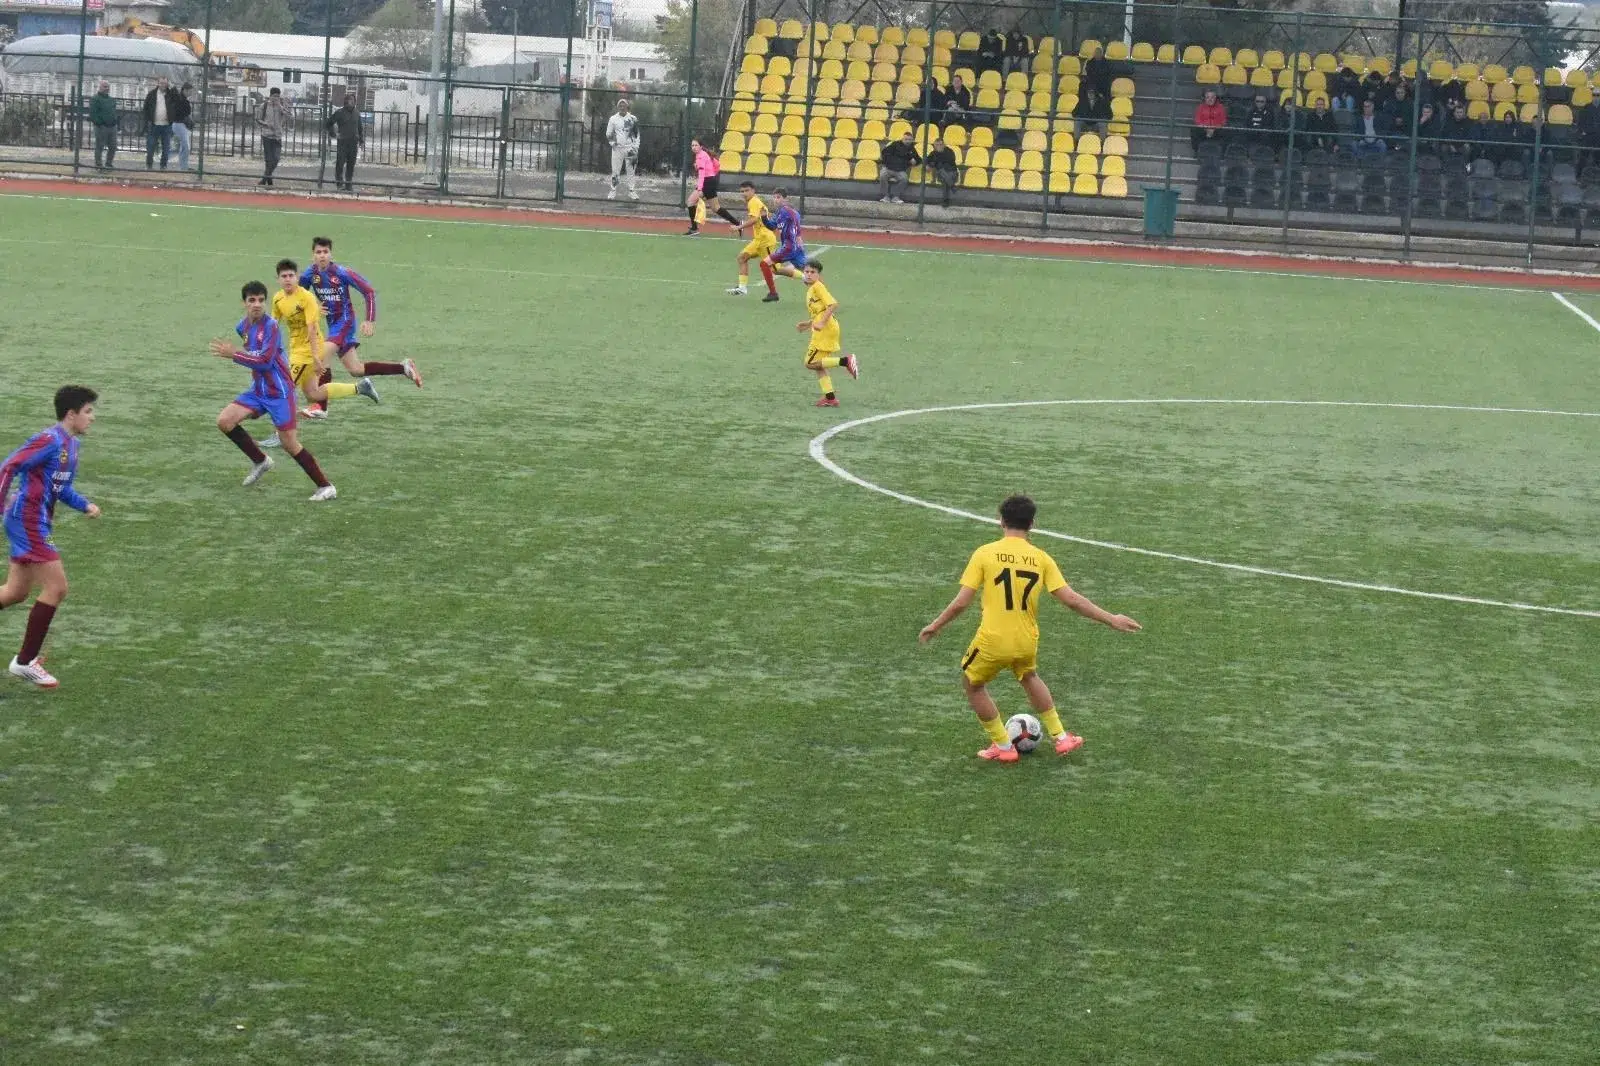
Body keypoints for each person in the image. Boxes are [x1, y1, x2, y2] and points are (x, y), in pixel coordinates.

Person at [918, 494, 1141, 763]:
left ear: (1001, 520)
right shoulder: (1041, 558)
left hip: (993, 640)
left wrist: (936, 625)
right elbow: (1071, 599)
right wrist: (1111, 618)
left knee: (973, 684)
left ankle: (1003, 746)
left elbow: (961, 602)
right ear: (1032, 524)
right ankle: (1060, 737)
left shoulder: (985, 553)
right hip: (1026, 639)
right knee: (1029, 676)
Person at [0, 386, 101, 689]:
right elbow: (8, 466)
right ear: (71, 414)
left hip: (35, 521)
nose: (92, 418)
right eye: (88, 411)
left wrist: (85, 504)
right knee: (56, 588)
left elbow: (60, 488)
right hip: (27, 520)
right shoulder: (48, 440)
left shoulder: (71, 446)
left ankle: (25, 662)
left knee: (16, 592)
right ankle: (25, 662)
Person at [210, 281, 337, 502]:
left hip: (280, 393)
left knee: (289, 443)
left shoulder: (272, 327)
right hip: (258, 391)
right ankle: (261, 461)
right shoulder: (243, 327)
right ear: (244, 303)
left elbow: (265, 361)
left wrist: (235, 355)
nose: (257, 304)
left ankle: (326, 486)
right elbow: (254, 357)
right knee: (225, 421)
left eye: (261, 300)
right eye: (252, 300)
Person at [258, 258, 378, 447]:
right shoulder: (278, 298)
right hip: (296, 349)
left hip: (307, 353)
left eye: (291, 275)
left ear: (297, 277)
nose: (288, 279)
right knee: (314, 394)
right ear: (278, 279)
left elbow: (313, 328)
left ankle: (280, 435)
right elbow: (273, 324)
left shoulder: (306, 298)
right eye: (284, 276)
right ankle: (360, 387)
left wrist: (315, 356)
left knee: (283, 391)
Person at [300, 236, 419, 416]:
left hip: (345, 322)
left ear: (331, 254)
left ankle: (321, 407)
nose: (322, 255)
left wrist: (370, 319)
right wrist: (315, 306)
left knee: (322, 355)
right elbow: (300, 297)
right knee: (356, 369)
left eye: (325, 252)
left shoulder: (341, 272)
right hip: (332, 325)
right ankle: (403, 367)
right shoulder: (310, 274)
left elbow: (368, 292)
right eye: (318, 252)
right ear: (313, 255)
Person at [796, 260, 859, 408]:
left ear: (818, 275)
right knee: (818, 365)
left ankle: (845, 361)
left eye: (813, 272)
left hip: (826, 329)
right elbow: (820, 311)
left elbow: (832, 304)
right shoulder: (812, 289)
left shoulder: (818, 287)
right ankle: (830, 398)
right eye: (807, 272)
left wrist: (822, 323)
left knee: (810, 363)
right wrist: (808, 324)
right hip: (825, 328)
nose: (809, 274)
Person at [728, 181, 780, 298]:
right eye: (742, 191)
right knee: (742, 257)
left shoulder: (753, 202)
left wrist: (738, 227)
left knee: (776, 270)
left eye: (746, 191)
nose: (744, 193)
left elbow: (754, 219)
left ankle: (804, 275)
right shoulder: (755, 201)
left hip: (765, 240)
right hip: (759, 240)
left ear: (753, 190)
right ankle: (742, 288)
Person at [686, 137, 740, 236]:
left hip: (706, 183)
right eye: (692, 145)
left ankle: (694, 228)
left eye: (696, 145)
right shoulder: (704, 154)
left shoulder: (701, 156)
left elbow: (702, 173)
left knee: (690, 202)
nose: (693, 147)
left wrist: (699, 187)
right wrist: (712, 175)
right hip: (710, 181)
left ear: (701, 146)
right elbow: (717, 164)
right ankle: (738, 223)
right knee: (716, 208)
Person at [760, 187, 807, 297]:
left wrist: (799, 235)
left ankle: (773, 293)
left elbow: (796, 219)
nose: (776, 200)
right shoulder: (779, 213)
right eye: (774, 198)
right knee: (809, 273)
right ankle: (826, 298)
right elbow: (771, 226)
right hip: (795, 248)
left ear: (785, 198)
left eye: (779, 197)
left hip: (789, 247)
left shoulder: (787, 210)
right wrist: (764, 218)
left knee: (764, 264)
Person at [605, 98, 641, 201]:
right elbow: (608, 133)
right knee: (615, 171)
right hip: (617, 149)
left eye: (624, 105)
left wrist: (636, 147)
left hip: (630, 149)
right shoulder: (613, 119)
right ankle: (613, 191)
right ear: (618, 107)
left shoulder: (633, 119)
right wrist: (613, 143)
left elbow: (637, 135)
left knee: (631, 171)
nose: (622, 107)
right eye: (620, 105)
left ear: (627, 107)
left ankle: (631, 191)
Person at [325, 96, 362, 191]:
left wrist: (361, 140)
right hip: (343, 142)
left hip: (353, 142)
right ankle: (339, 183)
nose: (350, 102)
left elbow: (360, 128)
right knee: (340, 163)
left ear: (355, 102)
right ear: (345, 102)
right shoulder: (340, 112)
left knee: (351, 164)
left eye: (352, 101)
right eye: (349, 100)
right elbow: (328, 123)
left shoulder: (357, 113)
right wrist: (333, 134)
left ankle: (348, 184)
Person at [258, 87, 291, 186]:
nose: (276, 98)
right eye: (274, 96)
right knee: (268, 159)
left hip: (277, 137)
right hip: (267, 136)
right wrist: (267, 125)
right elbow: (258, 119)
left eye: (278, 96)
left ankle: (265, 178)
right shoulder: (263, 106)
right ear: (270, 96)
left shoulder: (280, 107)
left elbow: (289, 116)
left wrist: (283, 107)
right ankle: (269, 180)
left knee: (276, 158)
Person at [878, 129, 920, 203]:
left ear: (912, 140)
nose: (907, 141)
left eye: (909, 140)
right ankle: (886, 196)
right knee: (882, 176)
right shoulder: (895, 144)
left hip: (900, 170)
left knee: (904, 179)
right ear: (902, 139)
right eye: (906, 139)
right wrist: (888, 162)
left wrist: (914, 161)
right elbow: (884, 152)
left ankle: (895, 197)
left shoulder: (912, 149)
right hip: (888, 168)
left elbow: (918, 159)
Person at [142, 76, 175, 170]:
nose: (163, 85)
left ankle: (163, 166)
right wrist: (148, 121)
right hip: (154, 125)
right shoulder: (151, 94)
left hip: (166, 125)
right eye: (161, 83)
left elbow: (177, 99)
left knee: (166, 148)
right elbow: (145, 109)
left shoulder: (171, 94)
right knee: (151, 147)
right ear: (158, 83)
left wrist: (172, 87)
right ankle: (149, 165)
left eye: (165, 83)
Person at [89, 81, 118, 170]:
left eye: (108, 87)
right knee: (100, 146)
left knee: (113, 146)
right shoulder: (95, 99)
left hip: (112, 126)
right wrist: (99, 123)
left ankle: (109, 164)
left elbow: (113, 112)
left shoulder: (112, 100)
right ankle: (98, 165)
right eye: (105, 87)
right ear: (100, 87)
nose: (107, 89)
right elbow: (93, 113)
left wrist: (115, 122)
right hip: (101, 127)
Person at [926, 136, 959, 205]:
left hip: (953, 173)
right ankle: (952, 186)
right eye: (937, 145)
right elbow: (927, 160)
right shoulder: (933, 153)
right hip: (941, 175)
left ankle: (945, 201)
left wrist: (935, 162)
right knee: (940, 168)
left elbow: (950, 160)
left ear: (944, 145)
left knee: (942, 172)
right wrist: (928, 165)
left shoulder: (949, 151)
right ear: (934, 145)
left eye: (941, 144)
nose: (939, 146)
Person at [1191, 88, 1227, 153]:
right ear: (1204, 98)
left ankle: (1222, 153)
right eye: (1208, 97)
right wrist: (1206, 129)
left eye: (1212, 97)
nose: (1210, 99)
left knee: (1225, 131)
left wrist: (1214, 129)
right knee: (1194, 130)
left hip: (1216, 130)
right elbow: (1197, 120)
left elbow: (1223, 121)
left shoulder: (1221, 107)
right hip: (1204, 129)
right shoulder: (1201, 107)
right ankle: (1196, 151)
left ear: (1215, 98)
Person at [172, 83, 193, 170]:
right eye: (190, 91)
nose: (190, 93)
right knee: (185, 146)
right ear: (185, 90)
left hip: (180, 124)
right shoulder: (181, 100)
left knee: (184, 146)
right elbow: (185, 112)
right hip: (179, 123)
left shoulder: (182, 99)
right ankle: (183, 166)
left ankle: (184, 166)